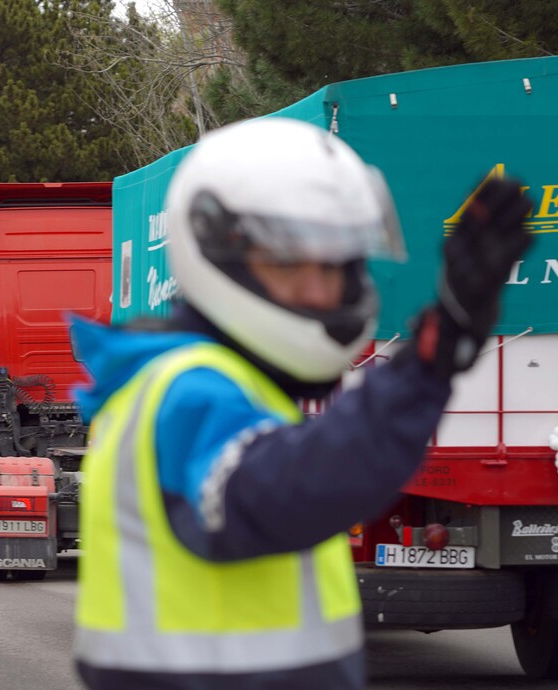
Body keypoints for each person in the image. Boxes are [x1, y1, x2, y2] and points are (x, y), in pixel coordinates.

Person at [71, 117, 532, 690]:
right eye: (289, 263)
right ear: (219, 254)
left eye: (336, 265)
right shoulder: (188, 391)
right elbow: (287, 489)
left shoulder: (238, 385)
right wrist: (426, 367)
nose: (320, 292)